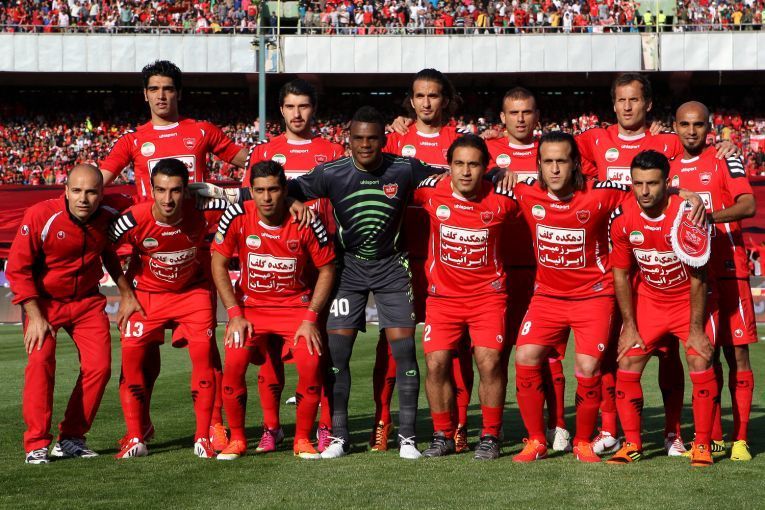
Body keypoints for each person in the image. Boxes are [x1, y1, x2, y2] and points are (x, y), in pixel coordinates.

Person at [508, 132, 704, 463]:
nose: (555, 169)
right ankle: (536, 441)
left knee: (587, 366)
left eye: (562, 161)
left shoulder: (601, 193)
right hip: (547, 297)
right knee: (525, 356)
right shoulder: (525, 191)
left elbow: (646, 191)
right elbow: (480, 181)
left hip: (593, 296)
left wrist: (682, 193)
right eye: (548, 161)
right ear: (538, 164)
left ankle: (583, 441)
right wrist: (496, 172)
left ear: (575, 164)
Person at [99, 60, 248, 452]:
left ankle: (213, 424)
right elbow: (97, 181)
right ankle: (140, 427)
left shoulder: (201, 131)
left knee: (206, 348)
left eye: (168, 88)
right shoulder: (133, 141)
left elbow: (253, 161)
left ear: (178, 93)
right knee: (142, 353)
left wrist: (222, 192)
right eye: (154, 89)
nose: (161, 95)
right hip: (147, 257)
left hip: (193, 252)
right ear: (145, 95)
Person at [286, 106, 446, 460]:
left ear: (383, 139)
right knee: (338, 354)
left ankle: (407, 438)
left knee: (404, 352)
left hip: (392, 269)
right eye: (358, 138)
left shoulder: (403, 168)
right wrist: (295, 202)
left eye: (372, 138)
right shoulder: (332, 172)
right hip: (348, 270)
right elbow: (285, 187)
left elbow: (448, 177)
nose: (365, 145)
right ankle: (339, 437)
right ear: (349, 140)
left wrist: (498, 173)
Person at [7, 164, 139, 464]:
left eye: (91, 192)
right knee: (40, 363)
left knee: (100, 368)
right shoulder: (41, 215)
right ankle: (36, 443)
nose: (83, 198)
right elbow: (17, 268)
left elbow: (111, 247)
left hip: (86, 302)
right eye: (76, 191)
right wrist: (35, 315)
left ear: (102, 194)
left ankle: (71, 438)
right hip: (44, 304)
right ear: (65, 191)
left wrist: (126, 292)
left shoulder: (111, 212)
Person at [242, 79, 344, 453]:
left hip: (320, 265)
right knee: (269, 353)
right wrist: (291, 202)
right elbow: (249, 202)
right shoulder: (264, 152)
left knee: (321, 351)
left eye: (304, 106)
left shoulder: (332, 152)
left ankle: (325, 425)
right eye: (290, 106)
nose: (297, 113)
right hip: (278, 266)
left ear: (313, 108)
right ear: (281, 110)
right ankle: (272, 428)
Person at [211, 160, 336, 460]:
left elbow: (328, 268)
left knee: (310, 364)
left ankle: (302, 439)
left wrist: (311, 318)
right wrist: (234, 314)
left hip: (295, 309)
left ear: (285, 191)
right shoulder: (237, 215)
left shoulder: (306, 221)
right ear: (251, 191)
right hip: (250, 309)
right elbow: (217, 263)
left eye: (274, 190)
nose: (266, 197)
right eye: (260, 190)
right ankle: (237, 439)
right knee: (234, 363)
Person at [380, 68, 474, 454]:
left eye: (433, 95)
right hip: (401, 257)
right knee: (393, 345)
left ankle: (459, 425)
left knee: (457, 348)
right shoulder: (394, 140)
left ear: (445, 100)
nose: (426, 102)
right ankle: (383, 422)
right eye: (419, 96)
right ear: (411, 100)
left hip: (450, 261)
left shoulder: (461, 142)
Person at [108, 158, 227, 459]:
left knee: (204, 357)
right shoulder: (133, 218)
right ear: (151, 190)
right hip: (146, 296)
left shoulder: (204, 209)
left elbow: (255, 202)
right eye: (160, 190)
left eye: (175, 190)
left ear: (186, 190)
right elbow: (103, 245)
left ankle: (203, 436)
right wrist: (125, 292)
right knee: (131, 360)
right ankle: (136, 437)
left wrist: (292, 203)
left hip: (193, 294)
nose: (167, 198)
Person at [607, 150, 717, 467]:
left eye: (652, 183)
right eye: (638, 183)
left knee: (698, 358)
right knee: (628, 360)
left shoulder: (687, 215)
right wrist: (629, 326)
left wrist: (695, 329)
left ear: (667, 183)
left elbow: (698, 277)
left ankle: (702, 445)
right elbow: (620, 274)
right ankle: (632, 444)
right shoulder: (623, 217)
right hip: (651, 302)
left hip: (689, 302)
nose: (644, 191)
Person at [415, 135, 516, 460]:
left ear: (485, 167)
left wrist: (505, 175)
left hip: (487, 298)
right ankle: (442, 434)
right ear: (449, 166)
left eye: (473, 164)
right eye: (459, 164)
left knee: (489, 362)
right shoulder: (430, 191)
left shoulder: (503, 198)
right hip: (443, 298)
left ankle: (490, 435)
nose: (466, 171)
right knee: (436, 364)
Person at [670, 101, 758, 461]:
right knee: (706, 354)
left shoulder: (726, 158)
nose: (691, 131)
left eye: (698, 124)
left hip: (729, 269)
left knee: (737, 353)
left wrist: (708, 216)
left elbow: (749, 205)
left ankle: (741, 438)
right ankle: (716, 436)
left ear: (709, 127)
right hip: (692, 276)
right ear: (675, 126)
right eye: (684, 124)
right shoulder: (668, 167)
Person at [486, 87, 570, 452]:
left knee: (547, 354)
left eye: (527, 112)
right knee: (494, 354)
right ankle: (490, 429)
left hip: (543, 270)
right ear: (502, 117)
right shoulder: (485, 152)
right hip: (496, 270)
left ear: (537, 115)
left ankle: (558, 425)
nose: (520, 118)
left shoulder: (553, 151)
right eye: (513, 112)